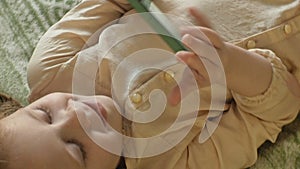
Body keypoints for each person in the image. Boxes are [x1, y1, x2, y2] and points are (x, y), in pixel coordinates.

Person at [1, 0, 300, 168]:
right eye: (77, 150)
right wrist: (233, 66)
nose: (77, 115)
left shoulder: (52, 68)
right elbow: (277, 110)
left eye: (45, 114)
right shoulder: (166, 164)